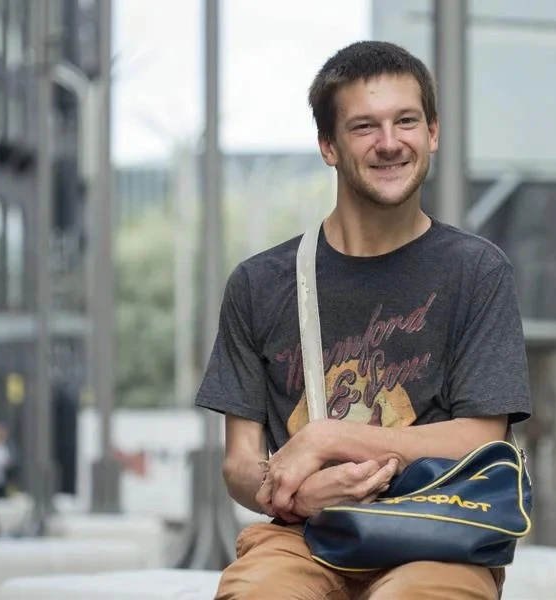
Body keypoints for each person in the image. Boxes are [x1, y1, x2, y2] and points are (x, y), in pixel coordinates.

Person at [196, 40, 532, 600]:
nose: (390, 142)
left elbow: (480, 436)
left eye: (407, 121)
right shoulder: (260, 283)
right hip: (305, 535)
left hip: (439, 529)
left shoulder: (477, 270)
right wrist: (297, 497)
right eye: (364, 127)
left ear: (433, 133)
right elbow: (239, 463)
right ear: (328, 146)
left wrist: (325, 437)